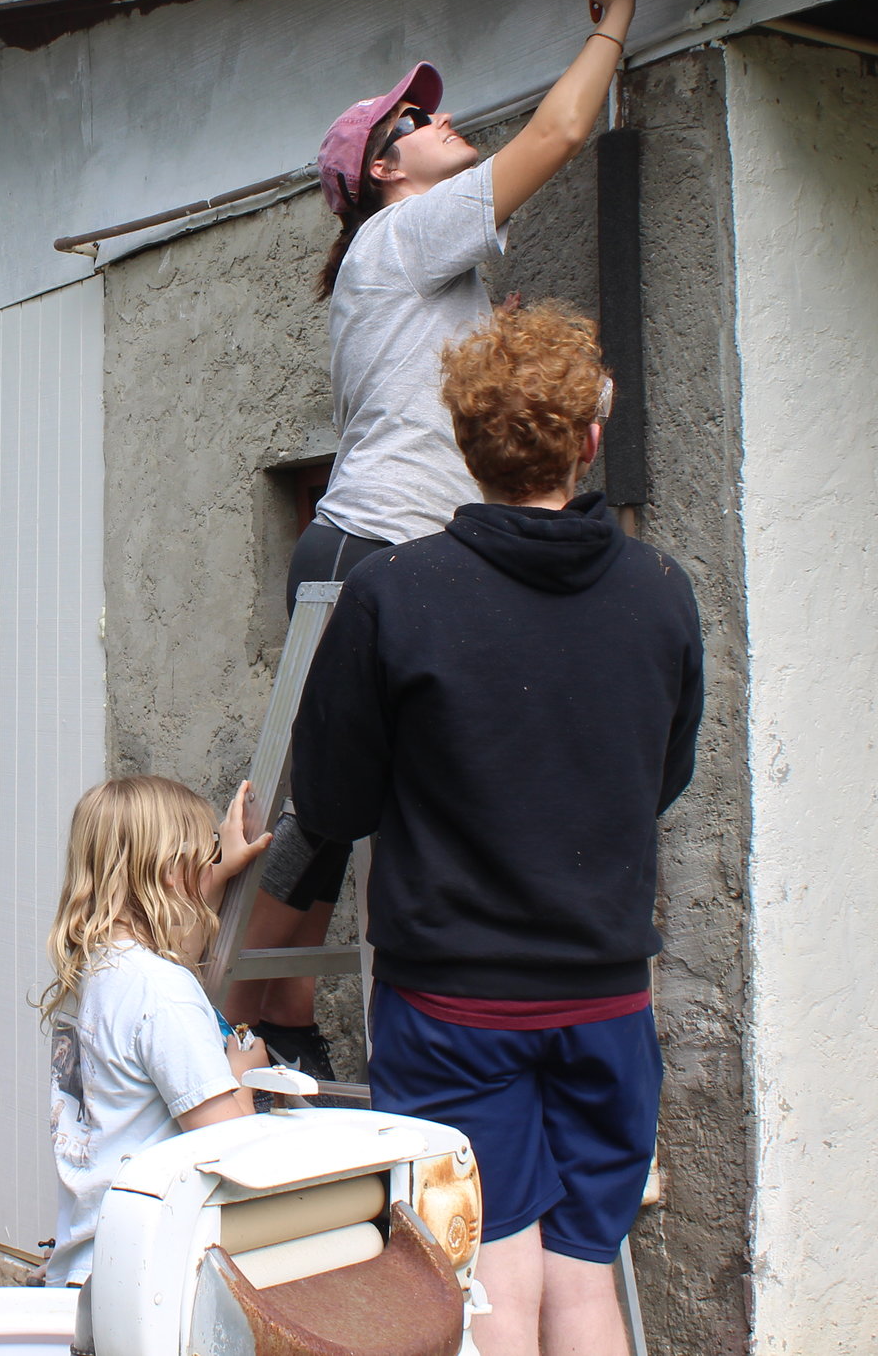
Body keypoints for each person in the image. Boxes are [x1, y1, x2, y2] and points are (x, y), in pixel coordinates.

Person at [229, 0, 642, 1078]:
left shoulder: (440, 266)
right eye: (416, 125)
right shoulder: (398, 238)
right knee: (321, 811)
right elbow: (559, 131)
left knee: (368, 802)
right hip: (370, 551)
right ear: (382, 174)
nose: (442, 124)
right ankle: (265, 1023)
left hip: (416, 559)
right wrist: (610, 16)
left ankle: (287, 1022)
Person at [289, 300, 704, 1356]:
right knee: (583, 1287)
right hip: (608, 1002)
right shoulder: (662, 594)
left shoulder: (393, 593)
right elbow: (663, 776)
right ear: (589, 437)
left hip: (454, 1005)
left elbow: (332, 806)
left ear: (464, 445)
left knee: (494, 1294)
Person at [39, 775, 269, 1289]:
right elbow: (227, 1148)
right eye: (203, 853)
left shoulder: (95, 972)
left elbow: (164, 967)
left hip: (93, 1263)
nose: (210, 861)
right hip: (150, 1281)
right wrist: (245, 1076)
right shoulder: (165, 994)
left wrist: (219, 873)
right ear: (169, 870)